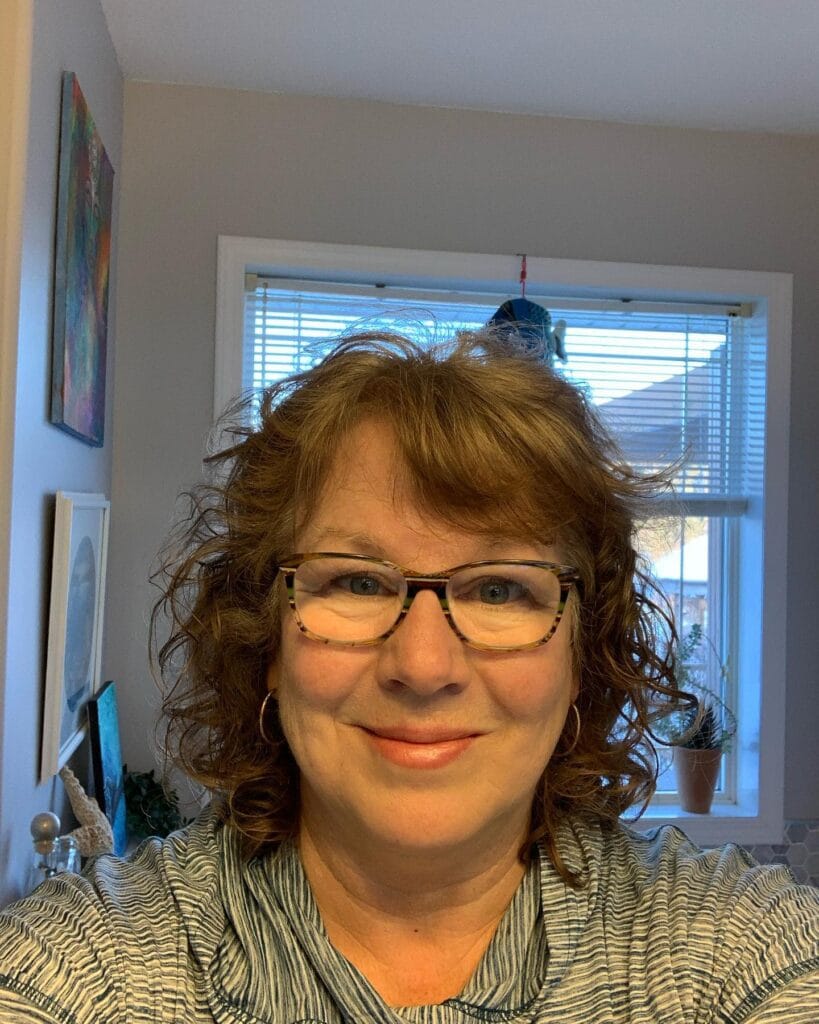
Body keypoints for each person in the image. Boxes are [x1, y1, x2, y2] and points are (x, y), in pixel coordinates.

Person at [0, 329, 817, 1022]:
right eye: (355, 581)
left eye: (501, 589)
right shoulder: (94, 970)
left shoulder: (730, 955)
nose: (423, 667)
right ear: (268, 642)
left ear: (581, 657)